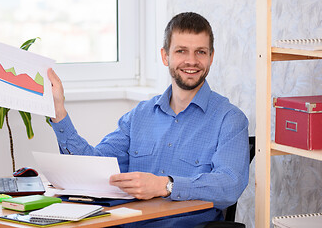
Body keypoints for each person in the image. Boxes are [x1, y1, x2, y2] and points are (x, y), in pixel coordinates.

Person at [47, 12, 249, 227]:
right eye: (181, 51)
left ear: (211, 56)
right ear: (165, 56)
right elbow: (92, 169)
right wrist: (59, 112)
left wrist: (166, 186)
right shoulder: (139, 116)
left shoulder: (230, 119)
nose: (191, 61)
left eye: (200, 52)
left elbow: (229, 185)